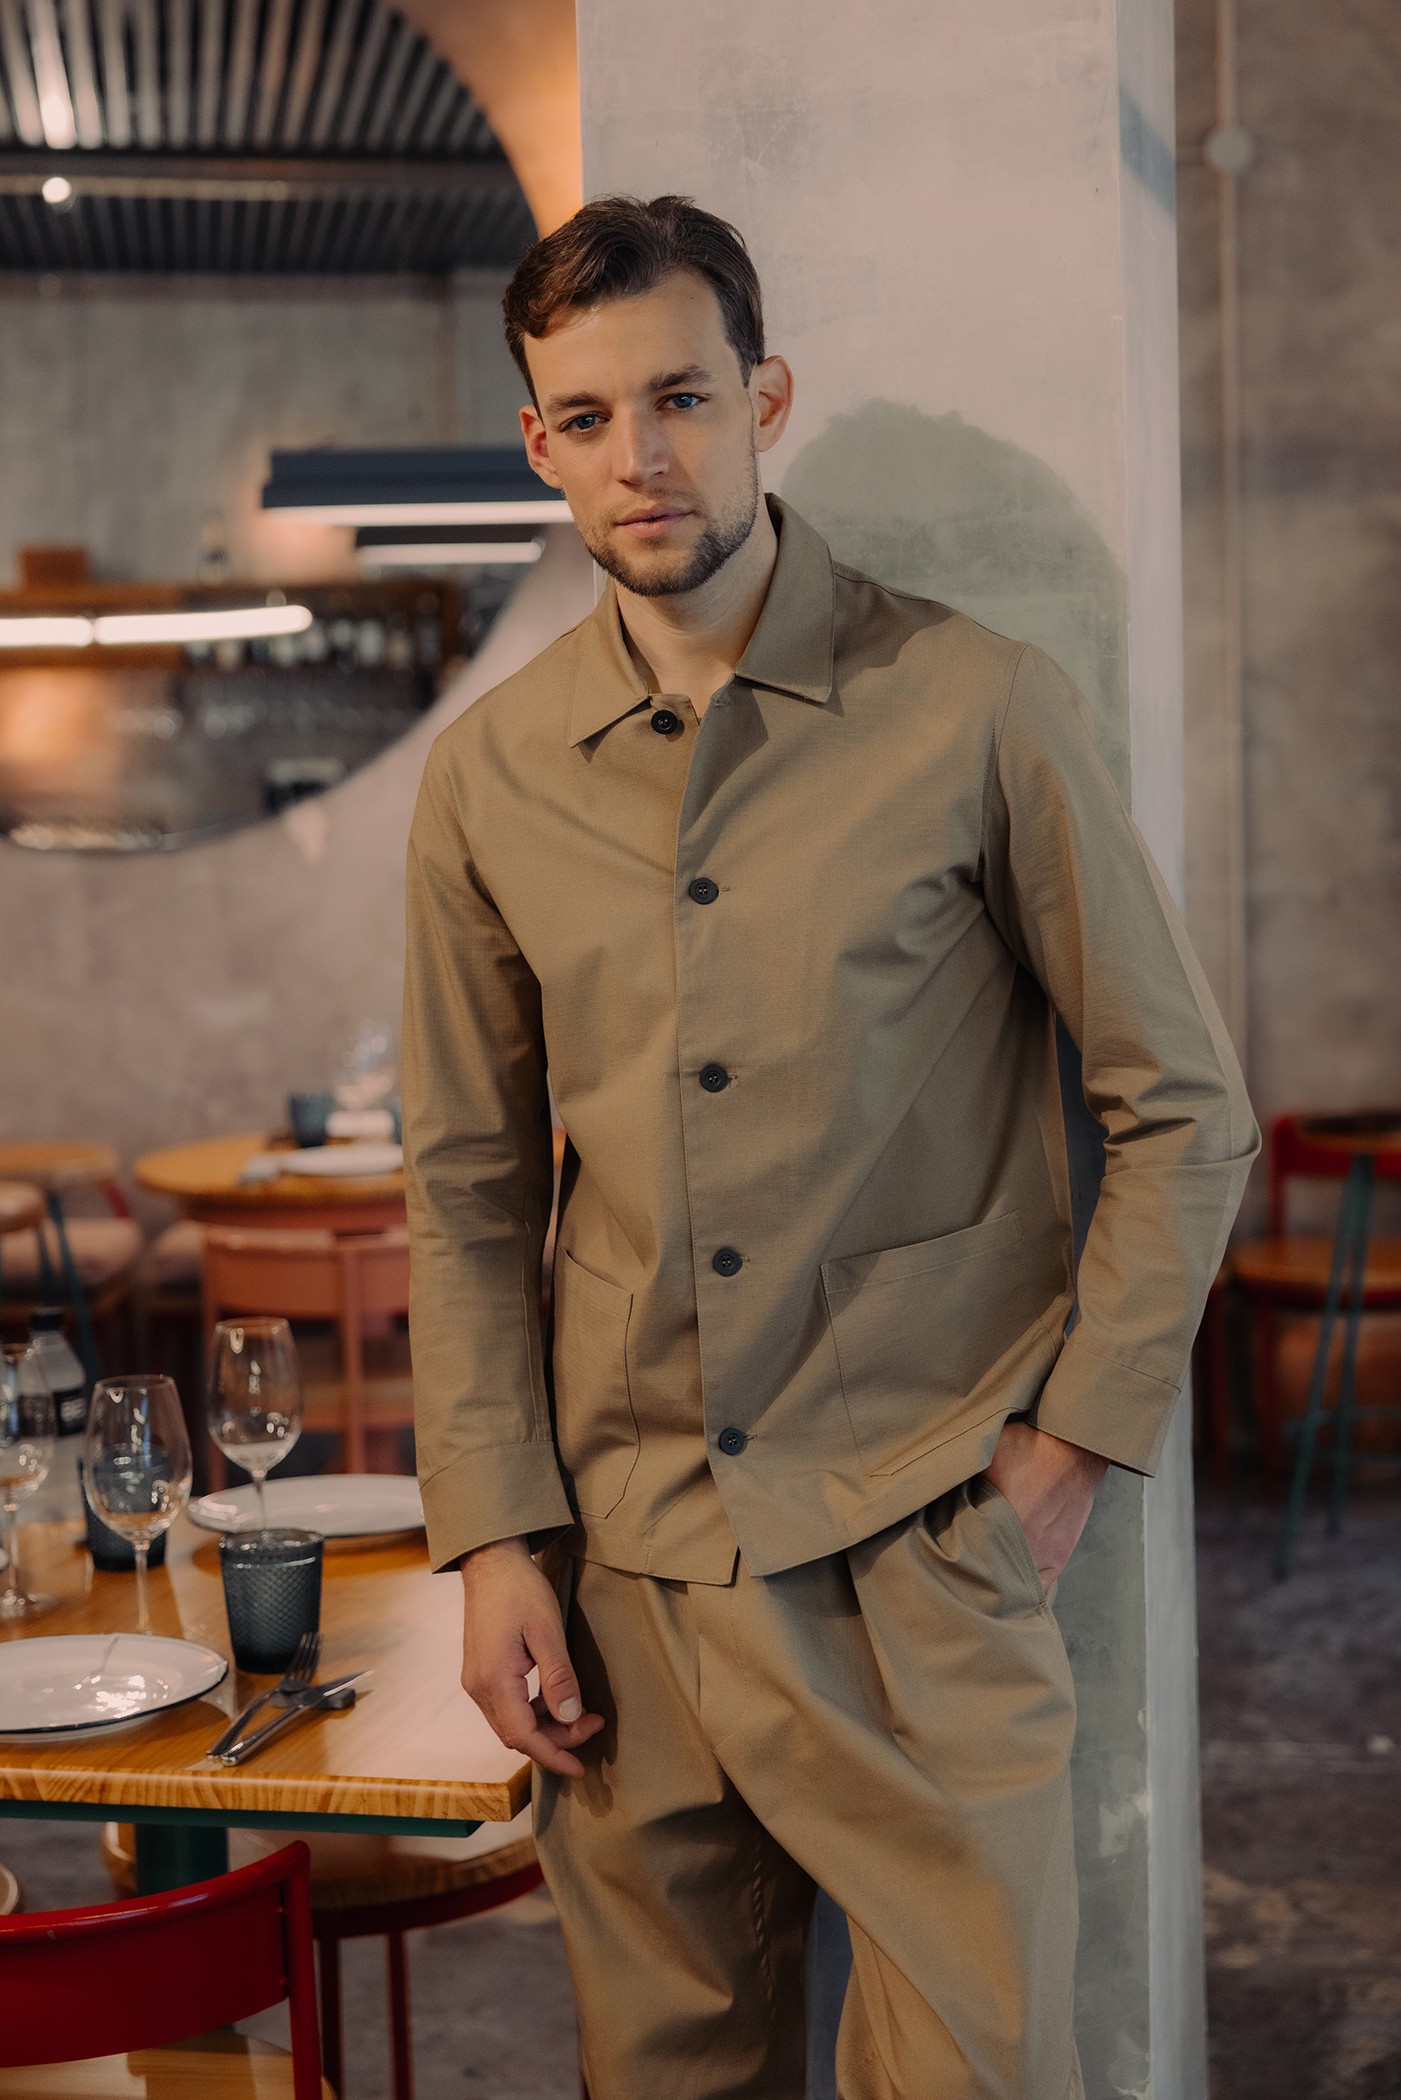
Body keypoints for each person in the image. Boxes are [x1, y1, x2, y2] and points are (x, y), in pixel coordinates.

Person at [402, 194, 1257, 2100]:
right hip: (625, 1581)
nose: (641, 456)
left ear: (764, 398)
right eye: (587, 416)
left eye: (682, 398)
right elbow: (463, 1189)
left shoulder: (975, 704)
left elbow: (1184, 1106)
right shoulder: (489, 773)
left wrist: (1069, 1449)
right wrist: (497, 1541)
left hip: (915, 1544)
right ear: (537, 444)